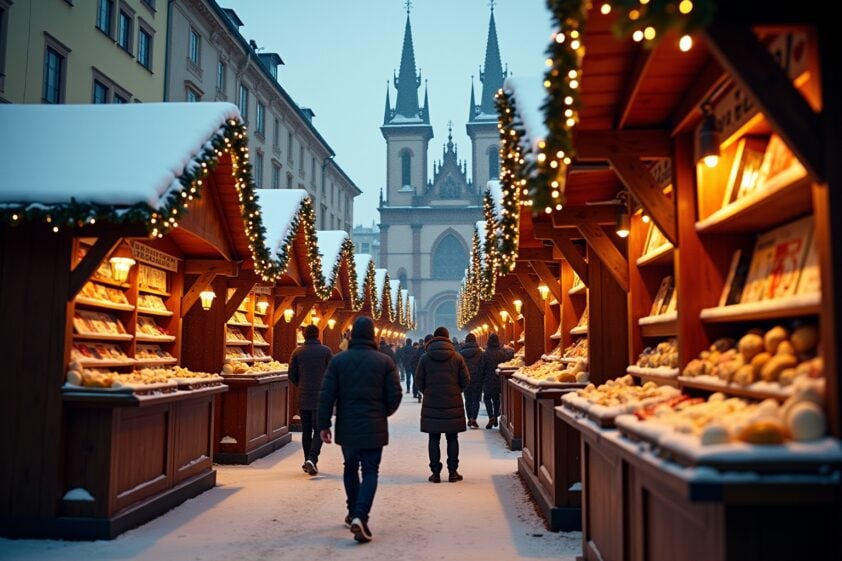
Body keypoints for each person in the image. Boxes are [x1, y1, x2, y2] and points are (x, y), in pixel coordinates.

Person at [318, 316, 402, 544]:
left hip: (347, 424)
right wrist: (382, 413)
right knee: (371, 471)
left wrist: (323, 424)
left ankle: (353, 510)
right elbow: (395, 395)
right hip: (374, 424)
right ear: (373, 335)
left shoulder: (338, 361)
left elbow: (326, 396)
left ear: (352, 335)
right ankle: (360, 515)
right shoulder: (384, 362)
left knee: (350, 466)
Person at [416, 326, 470, 483]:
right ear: (448, 338)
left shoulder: (425, 358)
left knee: (434, 439)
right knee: (452, 438)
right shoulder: (457, 358)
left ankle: (435, 473)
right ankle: (453, 472)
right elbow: (466, 380)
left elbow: (419, 381)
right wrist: (456, 391)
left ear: (434, 338)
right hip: (453, 403)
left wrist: (428, 392)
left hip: (431, 403)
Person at [288, 324, 333, 475]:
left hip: (304, 397)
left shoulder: (297, 352)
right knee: (319, 430)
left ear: (305, 335)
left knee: (306, 431)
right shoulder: (326, 351)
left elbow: (291, 374)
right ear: (317, 335)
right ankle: (312, 459)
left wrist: (300, 384)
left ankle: (308, 459)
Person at [477, 333, 511, 429]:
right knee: (496, 399)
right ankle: (496, 416)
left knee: (487, 398)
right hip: (498, 380)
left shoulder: (485, 354)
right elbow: (505, 364)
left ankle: (491, 416)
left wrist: (481, 379)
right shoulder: (502, 353)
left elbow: (482, 368)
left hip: (488, 379)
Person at [459, 332, 484, 429]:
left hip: (466, 379)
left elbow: (460, 367)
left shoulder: (461, 353)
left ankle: (469, 417)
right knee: (476, 400)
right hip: (477, 379)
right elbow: (482, 366)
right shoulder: (480, 352)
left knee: (468, 400)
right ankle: (474, 417)